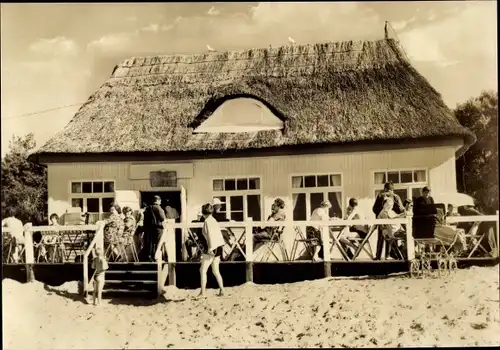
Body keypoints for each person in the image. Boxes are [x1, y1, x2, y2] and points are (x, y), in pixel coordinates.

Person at [372, 182, 405, 260]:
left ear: (385, 188)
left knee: (381, 238)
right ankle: (390, 255)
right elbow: (401, 209)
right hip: (393, 222)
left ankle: (378, 256)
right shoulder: (396, 197)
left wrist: (382, 214)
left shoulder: (381, 195)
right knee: (393, 238)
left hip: (382, 221)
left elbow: (374, 209)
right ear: (393, 189)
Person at [198, 203, 225, 297]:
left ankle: (203, 292)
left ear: (203, 212)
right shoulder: (214, 220)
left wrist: (210, 248)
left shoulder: (207, 221)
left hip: (212, 247)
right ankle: (222, 290)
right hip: (218, 246)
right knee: (216, 271)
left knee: (202, 270)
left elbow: (209, 235)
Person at [142, 195, 166, 262]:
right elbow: (162, 218)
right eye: (159, 200)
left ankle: (150, 257)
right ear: (157, 200)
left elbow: (145, 219)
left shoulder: (147, 208)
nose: (160, 201)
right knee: (159, 242)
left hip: (149, 228)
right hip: (158, 228)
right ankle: (157, 257)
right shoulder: (158, 208)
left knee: (150, 243)